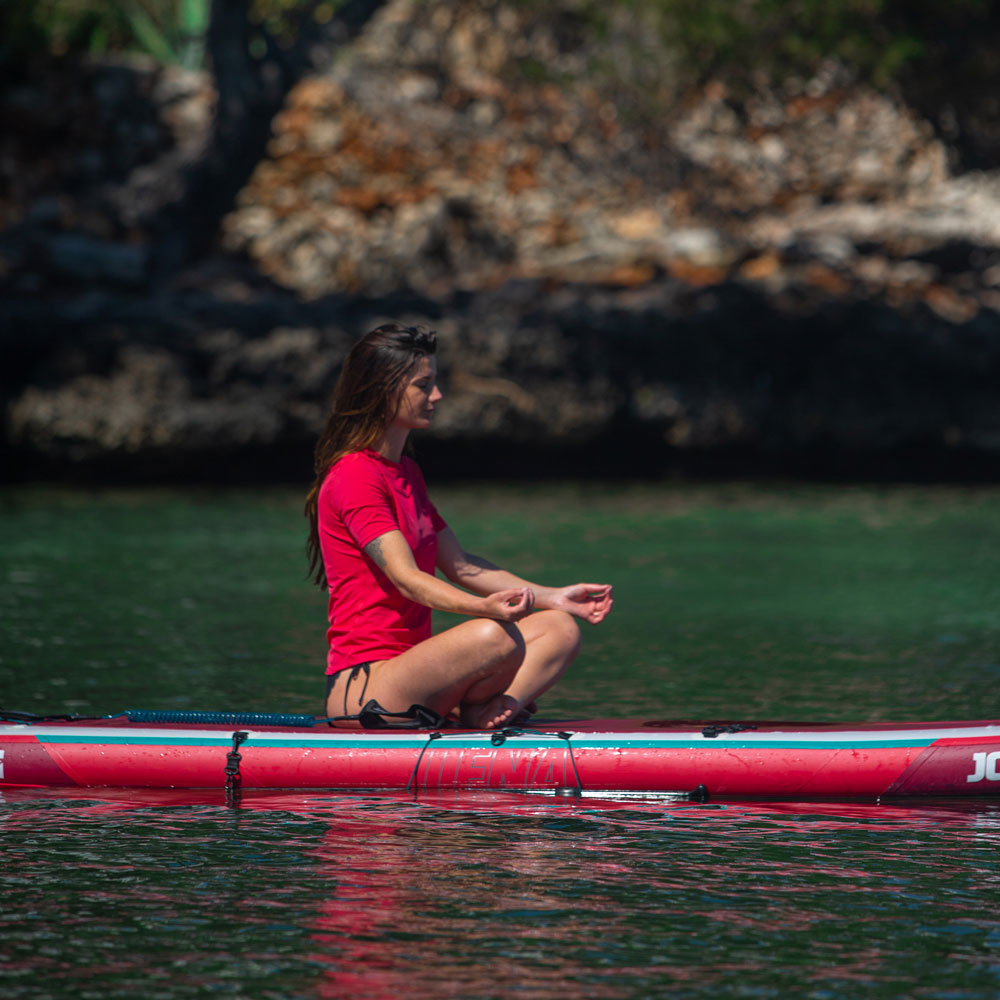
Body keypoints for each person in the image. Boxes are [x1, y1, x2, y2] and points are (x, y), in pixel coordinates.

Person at [304, 322, 613, 730]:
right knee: (494, 634)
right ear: (381, 391)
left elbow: (462, 565)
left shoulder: (407, 472)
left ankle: (494, 709)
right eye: (423, 385)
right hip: (366, 689)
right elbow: (407, 580)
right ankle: (477, 710)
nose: (437, 396)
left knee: (558, 626)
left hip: (419, 677)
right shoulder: (354, 476)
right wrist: (482, 608)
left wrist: (553, 597)